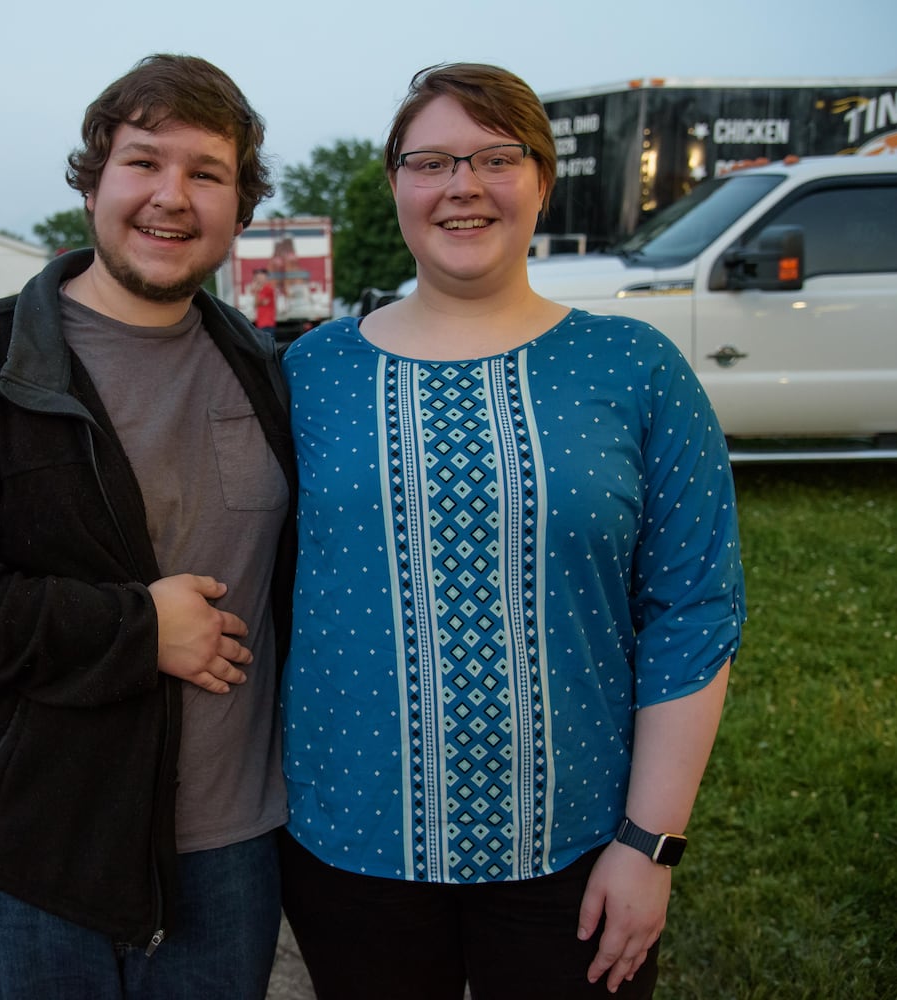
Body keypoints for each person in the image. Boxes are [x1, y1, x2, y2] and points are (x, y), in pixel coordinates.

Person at [277, 63, 745, 999]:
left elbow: (693, 608)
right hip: (353, 846)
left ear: (541, 179)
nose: (463, 186)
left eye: (497, 157)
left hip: (576, 852)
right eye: (432, 161)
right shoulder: (309, 372)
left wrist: (649, 844)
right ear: (397, 184)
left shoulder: (635, 366)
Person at [0, 53, 295, 1000]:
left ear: (240, 205)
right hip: (32, 856)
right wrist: (136, 632)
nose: (171, 197)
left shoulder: (262, 369)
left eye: (207, 173)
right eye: (144, 162)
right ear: (94, 180)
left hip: (228, 855)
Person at [251, 267, 277, 334]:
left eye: (260, 277)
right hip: (261, 323)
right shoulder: (261, 290)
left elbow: (258, 303)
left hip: (267, 323)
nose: (259, 279)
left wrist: (256, 291)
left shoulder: (268, 289)